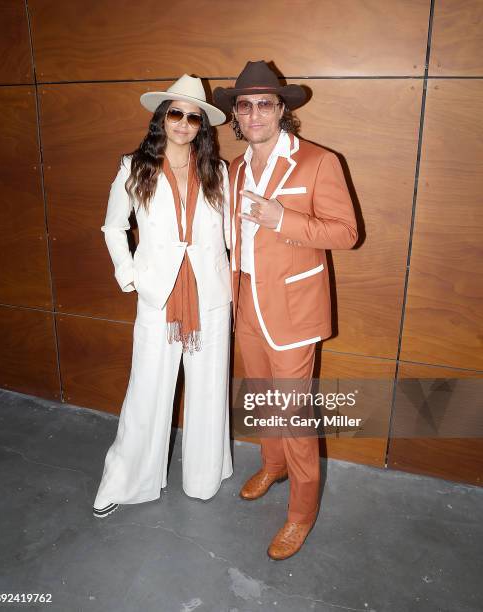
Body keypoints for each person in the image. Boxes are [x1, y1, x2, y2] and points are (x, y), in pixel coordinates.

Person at [213, 61, 358, 559]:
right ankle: (271, 465)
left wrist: (283, 218)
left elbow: (346, 233)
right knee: (259, 395)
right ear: (236, 114)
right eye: (245, 105)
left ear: (282, 110)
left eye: (265, 104)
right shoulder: (233, 169)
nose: (255, 113)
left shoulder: (318, 161)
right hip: (245, 298)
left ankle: (301, 512)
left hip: (293, 305)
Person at [93, 74, 233, 518]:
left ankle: (204, 477)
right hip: (159, 297)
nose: (184, 123)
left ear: (201, 127)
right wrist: (130, 274)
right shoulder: (133, 167)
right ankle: (125, 481)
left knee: (210, 388)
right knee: (147, 391)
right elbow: (113, 227)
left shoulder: (219, 172)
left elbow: (230, 234)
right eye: (176, 113)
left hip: (210, 296)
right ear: (161, 117)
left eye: (194, 117)